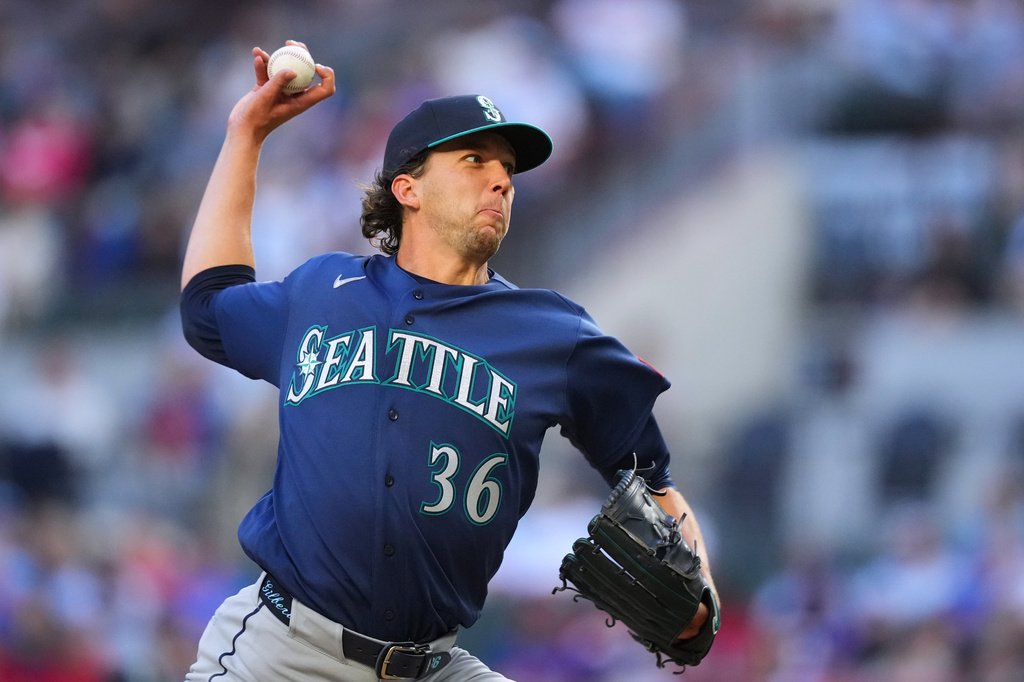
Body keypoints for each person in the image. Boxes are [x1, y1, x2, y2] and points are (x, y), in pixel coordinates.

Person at [179, 41, 718, 681]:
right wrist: (247, 132)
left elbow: (650, 480)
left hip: (432, 665)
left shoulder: (556, 334)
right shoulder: (321, 292)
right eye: (474, 160)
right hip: (284, 653)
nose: (501, 179)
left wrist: (701, 601)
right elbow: (208, 305)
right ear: (407, 186)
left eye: (508, 169)